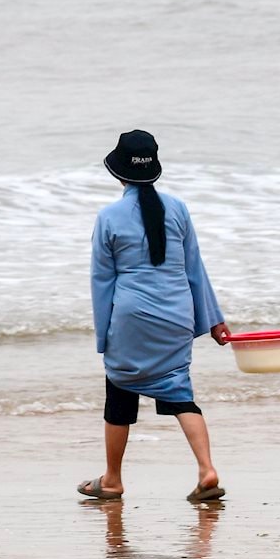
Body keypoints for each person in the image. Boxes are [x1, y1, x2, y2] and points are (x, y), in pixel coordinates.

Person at [83, 131, 231, 503]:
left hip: (132, 316)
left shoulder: (108, 216)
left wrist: (104, 337)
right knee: (180, 391)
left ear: (118, 173)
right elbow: (194, 268)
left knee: (119, 388)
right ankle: (206, 469)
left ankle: (113, 479)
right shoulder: (178, 209)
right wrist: (213, 320)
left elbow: (103, 283)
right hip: (176, 314)